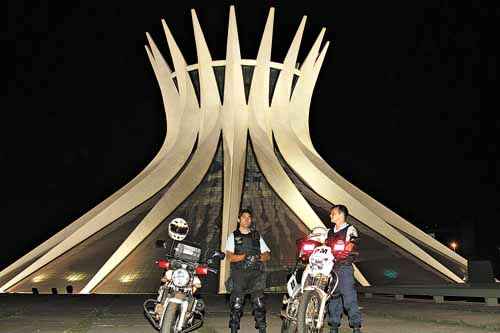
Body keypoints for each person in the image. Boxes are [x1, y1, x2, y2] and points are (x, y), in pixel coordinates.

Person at [224, 208, 271, 333]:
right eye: (244, 217)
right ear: (239, 219)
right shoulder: (233, 236)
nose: (246, 219)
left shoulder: (256, 235)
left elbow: (267, 254)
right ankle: (234, 328)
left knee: (259, 303)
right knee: (237, 303)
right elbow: (229, 257)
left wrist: (258, 257)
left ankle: (262, 327)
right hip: (239, 274)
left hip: (256, 274)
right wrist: (244, 257)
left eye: (249, 217)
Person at [327, 204, 363, 333]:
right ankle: (334, 325)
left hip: (344, 266)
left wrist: (346, 249)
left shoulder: (350, 229)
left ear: (341, 215)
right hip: (331, 268)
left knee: (349, 297)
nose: (330, 215)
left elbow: (352, 242)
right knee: (333, 298)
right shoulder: (329, 231)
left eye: (333, 213)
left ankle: (356, 326)